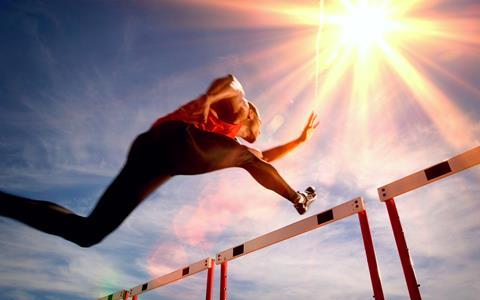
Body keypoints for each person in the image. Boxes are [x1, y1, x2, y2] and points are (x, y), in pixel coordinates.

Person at [0, 75, 319, 248]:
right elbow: (233, 83)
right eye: (255, 130)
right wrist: (209, 98)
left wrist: (299, 141)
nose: (254, 136)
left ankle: (5, 203)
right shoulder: (239, 111)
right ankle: (297, 197)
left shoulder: (229, 143)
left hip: (151, 154)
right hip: (174, 139)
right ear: (251, 116)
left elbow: (262, 160)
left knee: (88, 233)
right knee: (245, 156)